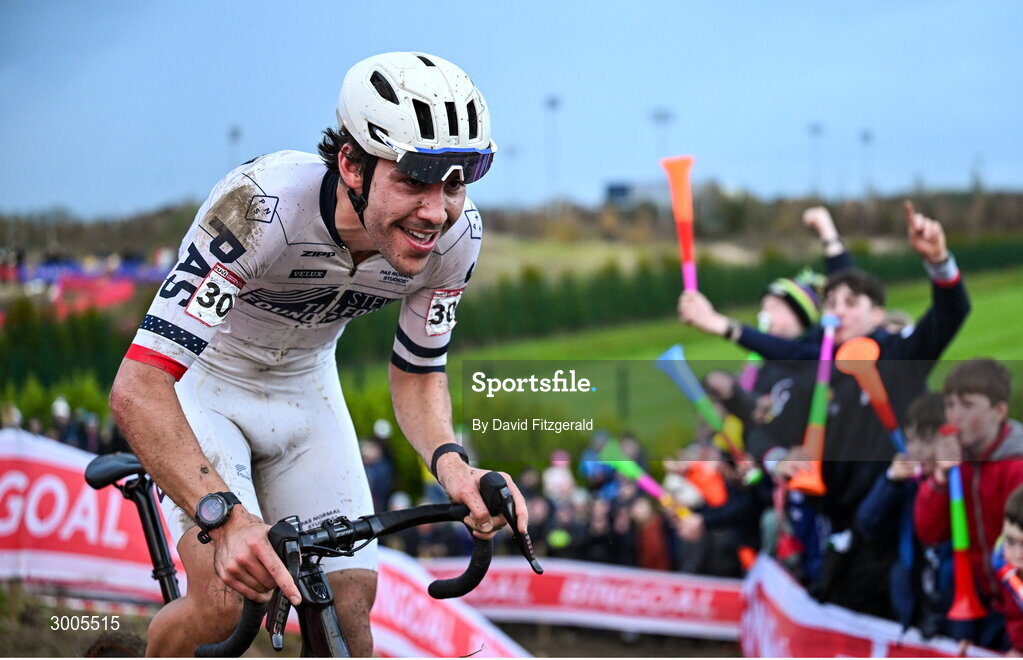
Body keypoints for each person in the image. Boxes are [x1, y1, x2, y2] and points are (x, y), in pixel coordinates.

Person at [108, 51, 527, 657]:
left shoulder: (457, 240)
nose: (436, 212)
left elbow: (418, 370)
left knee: (349, 609)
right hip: (203, 388)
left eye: (457, 181)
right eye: (413, 179)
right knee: (228, 606)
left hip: (306, 392)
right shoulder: (262, 207)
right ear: (351, 163)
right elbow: (138, 384)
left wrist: (454, 468)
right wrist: (225, 519)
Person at [915, 359, 1023, 651]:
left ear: (999, 412)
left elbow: (1017, 561)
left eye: (967, 405)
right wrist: (939, 478)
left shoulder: (1016, 467)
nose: (954, 417)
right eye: (950, 405)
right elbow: (929, 531)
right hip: (987, 607)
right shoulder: (960, 462)